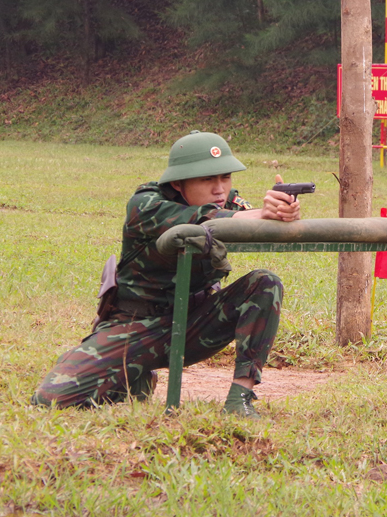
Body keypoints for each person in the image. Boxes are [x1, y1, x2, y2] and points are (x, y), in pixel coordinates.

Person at [32, 131, 300, 416]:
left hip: (195, 323)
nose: (219, 189)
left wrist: (281, 210)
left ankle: (240, 398)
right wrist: (255, 215)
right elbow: (200, 220)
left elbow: (251, 215)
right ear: (177, 182)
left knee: (264, 283)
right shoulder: (146, 204)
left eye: (225, 177)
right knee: (50, 399)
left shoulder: (228, 202)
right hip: (137, 324)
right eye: (207, 179)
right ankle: (129, 374)